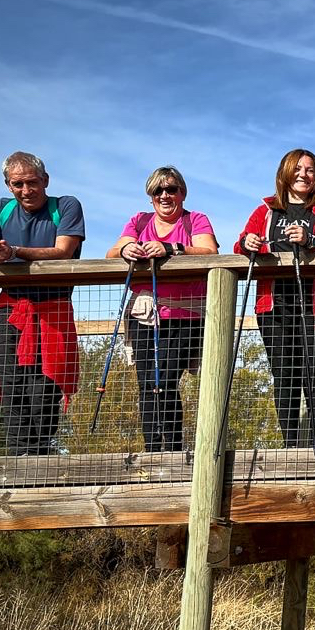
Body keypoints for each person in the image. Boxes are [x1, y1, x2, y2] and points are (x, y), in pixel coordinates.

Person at [235, 149, 315, 450]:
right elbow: (241, 244)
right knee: (284, 374)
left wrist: (313, 240)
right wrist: (247, 243)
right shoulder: (265, 212)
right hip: (275, 306)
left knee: (314, 375)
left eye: (310, 170)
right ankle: (290, 446)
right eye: (297, 168)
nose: (303, 174)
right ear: (285, 172)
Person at [0, 151, 86, 456]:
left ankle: (42, 452)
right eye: (17, 184)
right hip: (10, 308)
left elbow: (63, 251)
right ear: (8, 185)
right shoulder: (0, 208)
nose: (26, 190)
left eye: (32, 182)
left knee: (46, 383)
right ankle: (17, 454)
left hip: (53, 307)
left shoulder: (66, 206)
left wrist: (13, 251)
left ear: (45, 180)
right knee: (11, 382)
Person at [105, 166, 219, 452]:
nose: (165, 195)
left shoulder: (196, 220)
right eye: (158, 190)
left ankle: (172, 450)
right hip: (144, 315)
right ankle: (154, 451)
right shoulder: (139, 221)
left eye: (171, 189)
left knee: (165, 381)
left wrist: (172, 248)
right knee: (147, 385)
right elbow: (113, 251)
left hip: (184, 315)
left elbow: (209, 251)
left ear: (183, 193)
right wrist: (125, 250)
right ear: (150, 196)